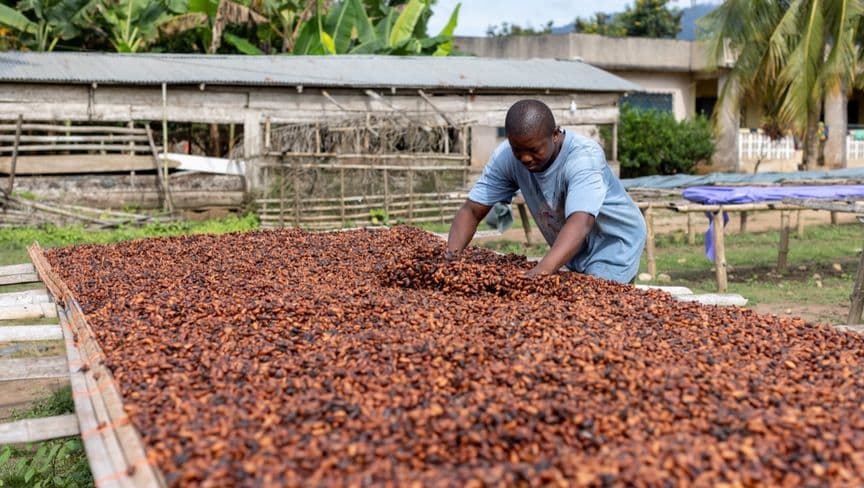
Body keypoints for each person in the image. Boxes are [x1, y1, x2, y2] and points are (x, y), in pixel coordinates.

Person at [446, 99, 646, 283]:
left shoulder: (583, 158)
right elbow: (472, 211)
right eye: (518, 150)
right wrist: (450, 262)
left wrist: (538, 274)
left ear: (555, 135)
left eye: (534, 150)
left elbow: (581, 221)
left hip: (613, 242)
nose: (525, 158)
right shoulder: (506, 156)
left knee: (598, 306)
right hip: (575, 245)